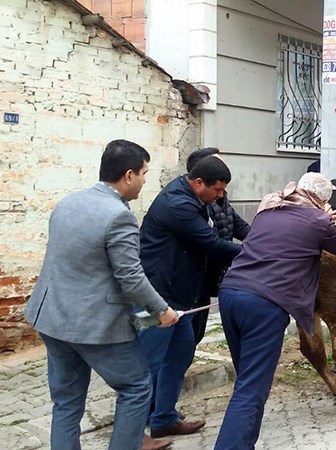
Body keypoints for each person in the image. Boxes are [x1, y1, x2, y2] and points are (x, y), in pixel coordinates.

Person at [23, 139, 180, 450]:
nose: (145, 182)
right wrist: (161, 310)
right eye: (145, 174)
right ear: (129, 175)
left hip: (52, 319)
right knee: (135, 387)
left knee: (66, 403)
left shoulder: (68, 201)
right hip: (95, 326)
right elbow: (131, 278)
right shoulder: (119, 216)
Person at [213, 173, 336, 450]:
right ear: (321, 200)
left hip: (230, 295)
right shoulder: (319, 219)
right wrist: (328, 217)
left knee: (247, 382)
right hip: (265, 305)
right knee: (252, 390)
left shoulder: (269, 206)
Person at [138, 156, 242, 439]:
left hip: (180, 297)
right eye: (217, 190)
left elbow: (232, 227)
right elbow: (210, 243)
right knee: (148, 365)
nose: (221, 196)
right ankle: (134, 434)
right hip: (156, 295)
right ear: (198, 183)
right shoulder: (179, 205)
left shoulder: (195, 199)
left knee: (180, 355)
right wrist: (255, 254)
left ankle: (163, 419)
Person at [184, 148, 250, 346]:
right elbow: (212, 244)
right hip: (196, 277)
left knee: (196, 333)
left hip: (213, 274)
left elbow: (237, 224)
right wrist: (252, 253)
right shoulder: (197, 202)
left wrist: (264, 238)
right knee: (187, 335)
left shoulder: (219, 195)